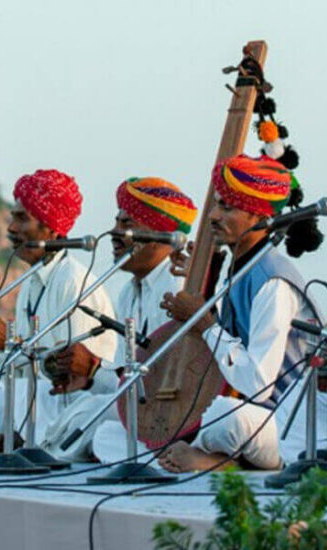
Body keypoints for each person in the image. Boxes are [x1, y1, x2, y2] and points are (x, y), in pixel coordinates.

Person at [157, 154, 322, 472]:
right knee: (113, 433)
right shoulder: (239, 268)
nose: (213, 217)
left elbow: (257, 382)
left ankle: (216, 463)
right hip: (252, 413)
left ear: (259, 216)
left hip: (287, 423)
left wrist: (205, 323)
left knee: (224, 417)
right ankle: (207, 455)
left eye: (227, 208)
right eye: (215, 205)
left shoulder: (271, 281)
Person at [0, 169, 120, 462]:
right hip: (34, 406)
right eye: (12, 217)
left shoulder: (73, 282)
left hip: (68, 409)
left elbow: (70, 379)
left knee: (22, 399)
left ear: (51, 229)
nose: (10, 229)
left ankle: (30, 440)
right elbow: (22, 372)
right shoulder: (31, 283)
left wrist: (12, 343)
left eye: (21, 219)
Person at [91, 177, 198, 463]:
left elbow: (168, 382)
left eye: (127, 224)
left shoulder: (177, 287)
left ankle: (175, 457)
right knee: (91, 419)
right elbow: (122, 375)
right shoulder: (128, 291)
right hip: (139, 406)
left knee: (91, 418)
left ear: (159, 235)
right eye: (117, 223)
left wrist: (92, 375)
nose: (114, 233)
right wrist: (87, 375)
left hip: (171, 410)